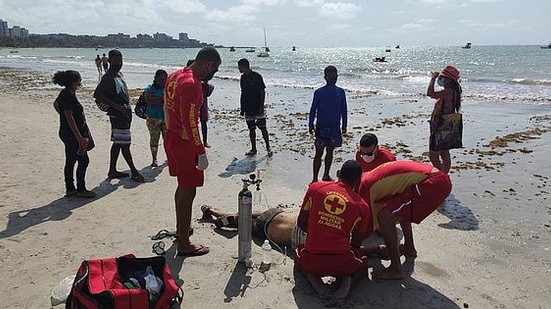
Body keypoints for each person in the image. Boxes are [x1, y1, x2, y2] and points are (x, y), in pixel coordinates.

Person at [164, 47, 221, 256]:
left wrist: (170, 133)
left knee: (182, 186)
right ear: (208, 64)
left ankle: (182, 229)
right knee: (189, 190)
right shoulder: (192, 84)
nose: (212, 74)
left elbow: (166, 107)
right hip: (184, 141)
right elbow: (190, 121)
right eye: (214, 69)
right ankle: (184, 243)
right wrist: (200, 150)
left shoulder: (174, 76)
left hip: (171, 135)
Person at [357, 161, 452, 280]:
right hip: (438, 179)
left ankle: (395, 269)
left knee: (385, 218)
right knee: (398, 210)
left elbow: (367, 227)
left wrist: (356, 248)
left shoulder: (364, 186)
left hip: (433, 183)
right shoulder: (370, 177)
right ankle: (409, 247)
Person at [295, 160, 372, 299]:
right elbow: (356, 242)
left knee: (298, 255)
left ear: (338, 174)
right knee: (363, 262)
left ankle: (312, 278)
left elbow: (301, 222)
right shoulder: (362, 206)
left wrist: (318, 234)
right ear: (357, 180)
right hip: (341, 264)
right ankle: (346, 282)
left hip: (313, 260)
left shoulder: (315, 188)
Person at [94, 49, 144, 182]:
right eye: (115, 61)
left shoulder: (119, 75)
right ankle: (134, 171)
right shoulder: (108, 77)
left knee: (118, 143)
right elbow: (97, 94)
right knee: (125, 144)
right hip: (118, 114)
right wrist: (116, 107)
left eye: (120, 61)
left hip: (125, 113)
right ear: (109, 61)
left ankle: (112, 170)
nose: (118, 64)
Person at [53, 70, 96, 198]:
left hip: (67, 132)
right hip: (72, 134)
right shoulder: (67, 95)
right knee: (84, 161)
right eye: (78, 80)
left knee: (71, 160)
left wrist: (63, 118)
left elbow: (55, 104)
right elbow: (69, 116)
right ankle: (81, 189)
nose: (80, 83)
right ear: (72, 82)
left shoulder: (68, 93)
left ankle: (70, 189)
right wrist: (80, 138)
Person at [201, 206, 306, 250]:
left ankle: (212, 211)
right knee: (241, 224)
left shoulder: (318, 219)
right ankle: (215, 214)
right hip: (267, 229)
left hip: (278, 214)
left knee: (245, 215)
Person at [308, 65, 347, 183]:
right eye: (330, 77)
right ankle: (315, 178)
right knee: (318, 152)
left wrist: (344, 124)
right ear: (325, 77)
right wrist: (310, 123)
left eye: (334, 77)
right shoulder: (319, 92)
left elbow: (343, 109)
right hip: (321, 126)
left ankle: (326, 175)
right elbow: (313, 109)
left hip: (335, 127)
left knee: (330, 151)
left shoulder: (341, 92)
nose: (332, 79)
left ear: (337, 77)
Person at [426, 65, 462, 174]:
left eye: (442, 77)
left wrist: (432, 79)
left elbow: (430, 93)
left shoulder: (447, 92)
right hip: (448, 123)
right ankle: (445, 174)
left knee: (433, 154)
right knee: (444, 151)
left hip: (440, 125)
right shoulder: (455, 91)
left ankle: (441, 174)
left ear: (448, 80)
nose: (440, 80)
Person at [238, 58, 272, 157]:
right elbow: (243, 93)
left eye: (239, 66)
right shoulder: (243, 78)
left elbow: (262, 92)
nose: (238, 69)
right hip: (248, 107)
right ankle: (254, 149)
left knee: (263, 128)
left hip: (258, 107)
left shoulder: (257, 76)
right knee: (251, 129)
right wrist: (242, 108)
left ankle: (268, 147)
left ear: (244, 66)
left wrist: (261, 106)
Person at [187, 59, 214, 148]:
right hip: (191, 102)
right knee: (191, 122)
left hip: (202, 100)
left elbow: (209, 87)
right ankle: (192, 141)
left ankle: (205, 141)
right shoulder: (187, 78)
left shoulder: (201, 75)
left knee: (203, 121)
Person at [145, 70, 168, 167]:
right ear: (156, 78)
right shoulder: (150, 88)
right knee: (154, 140)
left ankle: (169, 158)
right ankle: (154, 159)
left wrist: (158, 100)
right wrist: (163, 100)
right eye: (160, 78)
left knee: (167, 140)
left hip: (166, 118)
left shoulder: (168, 88)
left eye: (165, 79)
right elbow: (149, 99)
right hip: (153, 118)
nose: (163, 81)